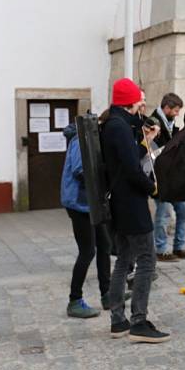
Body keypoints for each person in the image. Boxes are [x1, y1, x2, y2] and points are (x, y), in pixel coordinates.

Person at [102, 78, 170, 343]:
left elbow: (127, 157)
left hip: (121, 202)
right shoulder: (118, 126)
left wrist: (146, 140)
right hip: (130, 203)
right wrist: (152, 187)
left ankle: (118, 320)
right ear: (129, 101)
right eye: (139, 99)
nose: (143, 103)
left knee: (124, 260)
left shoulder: (115, 123)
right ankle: (139, 322)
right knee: (146, 261)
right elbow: (131, 168)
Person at [61, 123, 112, 318]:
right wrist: (103, 175)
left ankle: (107, 295)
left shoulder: (89, 139)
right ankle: (74, 300)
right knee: (87, 251)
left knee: (105, 245)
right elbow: (79, 169)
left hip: (90, 203)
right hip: (78, 203)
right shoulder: (79, 141)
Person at [148, 93, 185, 262]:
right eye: (175, 111)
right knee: (163, 215)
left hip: (175, 179)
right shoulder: (152, 123)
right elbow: (149, 153)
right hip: (159, 179)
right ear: (166, 108)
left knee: (183, 212)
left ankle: (179, 247)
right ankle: (161, 249)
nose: (177, 114)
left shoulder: (170, 123)